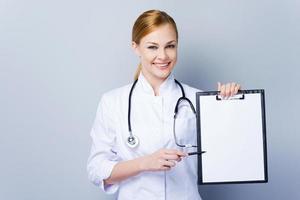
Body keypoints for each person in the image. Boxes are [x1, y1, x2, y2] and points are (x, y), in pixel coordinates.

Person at [87, 9, 241, 200]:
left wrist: (230, 106)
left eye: (170, 46)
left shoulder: (197, 99)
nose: (163, 56)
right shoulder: (113, 102)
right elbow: (96, 169)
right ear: (136, 47)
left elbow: (230, 152)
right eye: (152, 47)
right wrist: (144, 163)